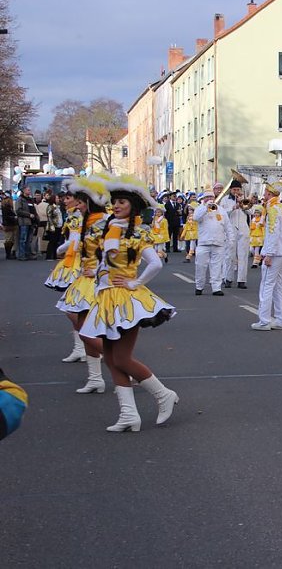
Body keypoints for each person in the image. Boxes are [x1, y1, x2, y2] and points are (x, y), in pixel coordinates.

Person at [79, 174, 178, 432]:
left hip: (124, 300)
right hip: (105, 296)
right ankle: (128, 415)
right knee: (111, 359)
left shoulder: (136, 234)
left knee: (122, 358)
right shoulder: (108, 229)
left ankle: (163, 394)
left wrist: (135, 283)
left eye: (122, 201)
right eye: (114, 201)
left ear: (132, 205)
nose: (116, 205)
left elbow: (156, 263)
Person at [56, 174, 110, 391]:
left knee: (87, 327)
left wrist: (97, 269)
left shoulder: (104, 224)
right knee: (80, 322)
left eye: (80, 202)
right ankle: (95, 378)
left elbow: (113, 255)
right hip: (83, 277)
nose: (76, 205)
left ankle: (121, 364)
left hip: (98, 281)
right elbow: (77, 245)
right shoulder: (86, 223)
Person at [251, 182, 282, 331]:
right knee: (277, 287)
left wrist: (268, 253)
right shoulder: (278, 208)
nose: (264, 194)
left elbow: (273, 233)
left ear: (270, 194)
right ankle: (280, 319)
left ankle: (264, 321)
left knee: (266, 286)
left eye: (266, 192)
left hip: (275, 253)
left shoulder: (273, 209)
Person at [193, 188, 232, 296]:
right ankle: (199, 286)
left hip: (218, 243)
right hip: (203, 243)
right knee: (200, 266)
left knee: (217, 267)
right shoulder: (200, 209)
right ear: (204, 199)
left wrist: (231, 239)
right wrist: (206, 208)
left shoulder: (221, 210)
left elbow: (227, 226)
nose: (210, 199)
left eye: (211, 197)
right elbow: (196, 218)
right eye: (207, 197)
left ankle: (216, 288)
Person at [222, 180, 251, 290]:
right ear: (230, 189)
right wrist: (232, 208)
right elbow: (223, 213)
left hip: (243, 229)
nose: (236, 192)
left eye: (238, 190)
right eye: (234, 190)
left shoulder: (245, 199)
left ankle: (242, 280)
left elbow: (252, 212)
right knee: (230, 255)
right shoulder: (225, 200)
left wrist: (243, 203)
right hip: (231, 229)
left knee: (243, 255)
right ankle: (228, 278)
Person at [15, 186, 36, 260]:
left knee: (28, 239)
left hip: (31, 222)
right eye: (28, 190)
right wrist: (28, 215)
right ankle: (21, 255)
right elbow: (18, 211)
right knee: (23, 239)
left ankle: (28, 254)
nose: (29, 191)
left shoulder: (30, 200)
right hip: (24, 222)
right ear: (24, 191)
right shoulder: (20, 200)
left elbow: (33, 209)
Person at [180, 195, 199, 263]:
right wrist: (183, 235)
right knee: (192, 245)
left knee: (195, 245)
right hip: (190, 233)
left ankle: (190, 256)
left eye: (191, 210)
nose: (189, 211)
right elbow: (187, 227)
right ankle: (189, 256)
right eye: (189, 210)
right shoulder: (188, 217)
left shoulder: (197, 217)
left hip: (196, 233)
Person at [2, 195, 18, 259]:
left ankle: (9, 253)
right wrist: (14, 218)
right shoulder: (6, 208)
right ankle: (8, 254)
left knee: (10, 239)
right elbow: (7, 217)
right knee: (9, 240)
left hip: (9, 225)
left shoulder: (6, 207)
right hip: (9, 225)